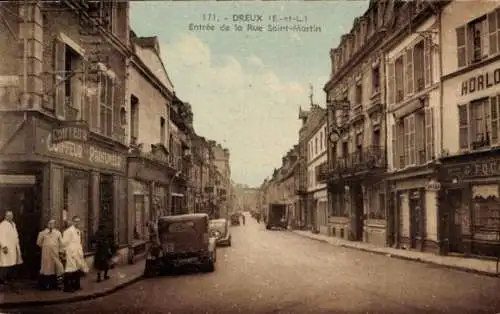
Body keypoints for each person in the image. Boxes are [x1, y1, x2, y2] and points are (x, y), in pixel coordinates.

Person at [62, 216, 88, 293]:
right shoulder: (68, 231)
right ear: (72, 222)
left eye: (78, 221)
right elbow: (64, 243)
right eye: (75, 221)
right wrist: (66, 252)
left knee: (77, 269)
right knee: (69, 269)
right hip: (71, 253)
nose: (77, 223)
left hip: (77, 253)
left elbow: (78, 243)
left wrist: (80, 252)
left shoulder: (78, 231)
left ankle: (76, 285)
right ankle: (66, 287)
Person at [37, 219, 64, 290]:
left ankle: (55, 284)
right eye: (49, 223)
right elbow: (39, 243)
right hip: (46, 254)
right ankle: (46, 285)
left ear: (54, 225)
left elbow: (61, 243)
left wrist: (60, 251)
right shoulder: (42, 233)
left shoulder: (58, 233)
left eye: (52, 224)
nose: (51, 225)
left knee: (56, 268)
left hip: (55, 254)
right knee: (46, 269)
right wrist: (47, 246)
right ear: (47, 224)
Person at [0, 211, 23, 290]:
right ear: (5, 216)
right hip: (7, 248)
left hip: (13, 247)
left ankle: (9, 280)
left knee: (12, 264)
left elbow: (15, 236)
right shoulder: (3, 225)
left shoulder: (13, 224)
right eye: (8, 216)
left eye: (11, 215)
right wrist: (4, 246)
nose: (10, 217)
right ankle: (2, 280)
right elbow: (1, 236)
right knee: (5, 265)